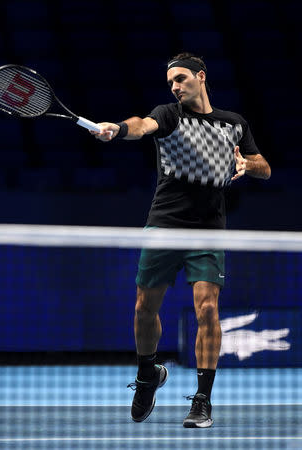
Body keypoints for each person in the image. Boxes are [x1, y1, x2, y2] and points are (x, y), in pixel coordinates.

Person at [91, 52, 271, 428]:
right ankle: (147, 374)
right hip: (164, 224)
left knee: (207, 309)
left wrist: (246, 164)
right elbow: (141, 125)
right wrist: (119, 129)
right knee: (144, 307)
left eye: (181, 78)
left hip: (208, 229)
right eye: (171, 81)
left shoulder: (233, 124)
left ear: (201, 77)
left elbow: (264, 167)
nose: (175, 86)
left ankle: (203, 400)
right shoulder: (169, 114)